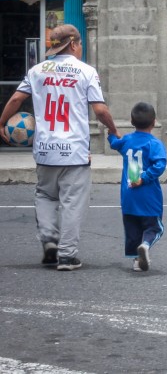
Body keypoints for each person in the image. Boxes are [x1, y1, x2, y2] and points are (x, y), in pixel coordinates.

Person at [0, 23, 117, 270]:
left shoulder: (37, 71)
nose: (81, 48)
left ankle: (50, 241)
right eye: (80, 44)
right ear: (73, 44)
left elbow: (17, 99)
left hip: (44, 149)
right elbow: (100, 109)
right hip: (74, 151)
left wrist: (2, 123)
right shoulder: (86, 71)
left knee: (45, 195)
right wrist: (113, 130)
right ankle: (67, 255)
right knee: (73, 202)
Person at [108, 101, 167, 272]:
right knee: (154, 227)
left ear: (132, 122)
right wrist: (144, 177)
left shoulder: (126, 140)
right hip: (148, 195)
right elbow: (159, 165)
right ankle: (146, 245)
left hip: (128, 195)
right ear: (154, 122)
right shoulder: (154, 144)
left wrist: (112, 133)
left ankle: (136, 261)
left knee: (133, 228)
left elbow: (114, 142)